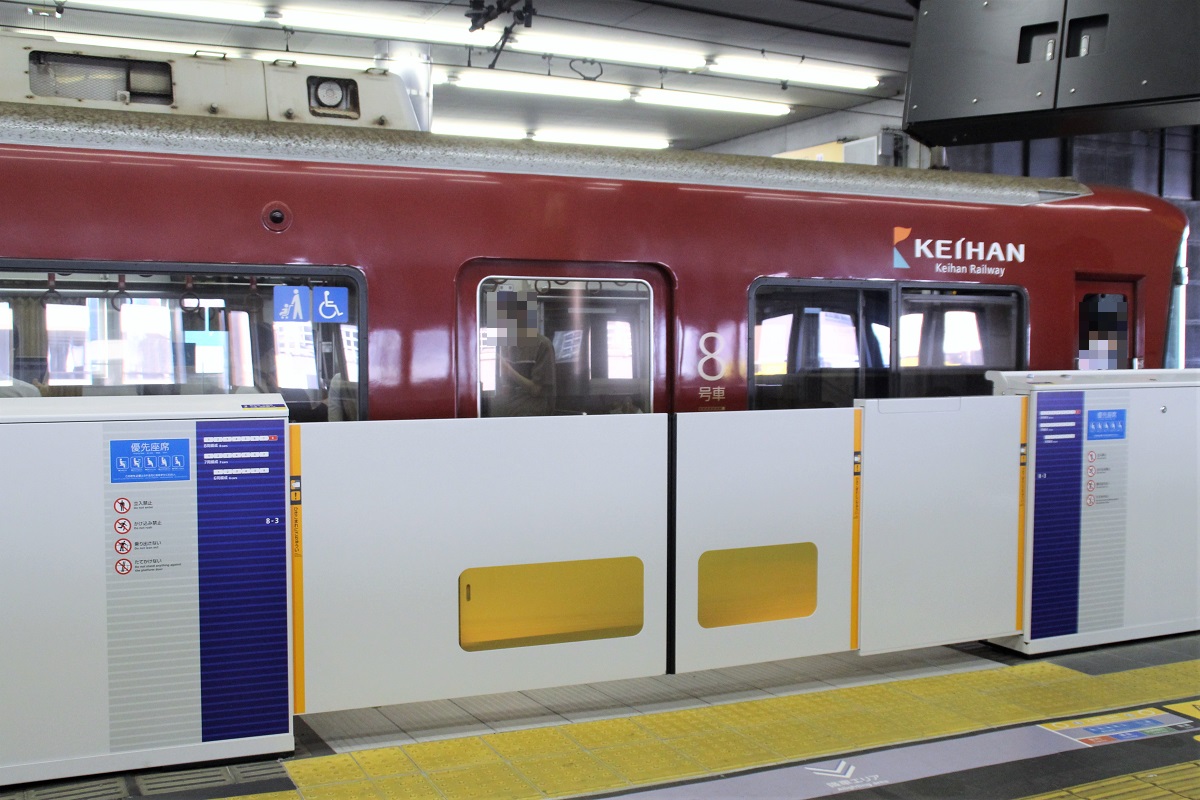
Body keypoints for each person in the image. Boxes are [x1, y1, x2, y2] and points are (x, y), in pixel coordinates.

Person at [492, 290, 555, 417]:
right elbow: (504, 388)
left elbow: (537, 390)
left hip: (531, 416)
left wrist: (509, 370)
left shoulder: (542, 345)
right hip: (506, 414)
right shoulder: (504, 344)